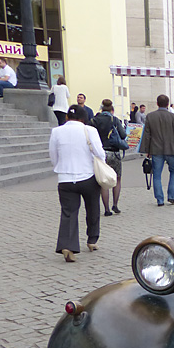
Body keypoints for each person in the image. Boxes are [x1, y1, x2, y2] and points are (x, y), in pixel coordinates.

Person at [49, 104, 105, 262]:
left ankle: (67, 246)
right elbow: (100, 153)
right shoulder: (90, 130)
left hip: (65, 178)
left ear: (67, 117)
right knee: (93, 207)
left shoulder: (57, 131)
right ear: (83, 118)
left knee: (68, 213)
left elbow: (53, 154)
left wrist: (59, 167)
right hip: (88, 175)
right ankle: (92, 240)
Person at [138, 94, 174, 206]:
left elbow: (147, 135)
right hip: (171, 149)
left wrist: (147, 150)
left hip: (156, 150)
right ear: (168, 104)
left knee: (157, 175)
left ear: (157, 103)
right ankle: (171, 196)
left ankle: (160, 199)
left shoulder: (150, 116)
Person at [90, 99, 127, 216]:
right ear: (112, 109)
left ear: (101, 108)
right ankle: (115, 205)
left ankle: (106, 209)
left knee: (103, 181)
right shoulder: (114, 120)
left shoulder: (94, 120)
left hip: (101, 153)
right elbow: (123, 135)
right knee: (117, 179)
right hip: (114, 152)